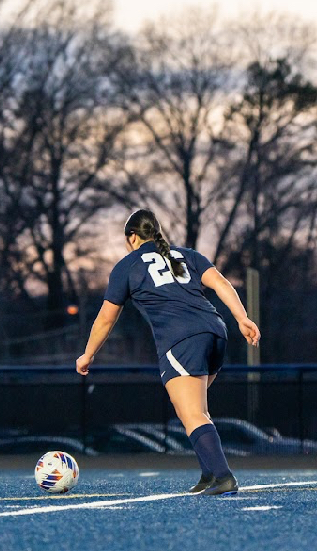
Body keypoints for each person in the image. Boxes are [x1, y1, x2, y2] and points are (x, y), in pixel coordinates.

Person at [76, 209, 261, 496]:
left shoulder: (127, 266)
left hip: (182, 338)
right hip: (216, 331)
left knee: (192, 413)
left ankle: (224, 478)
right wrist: (242, 318)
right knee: (196, 410)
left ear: (133, 237)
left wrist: (87, 354)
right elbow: (222, 284)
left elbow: (106, 319)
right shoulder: (188, 255)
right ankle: (209, 473)